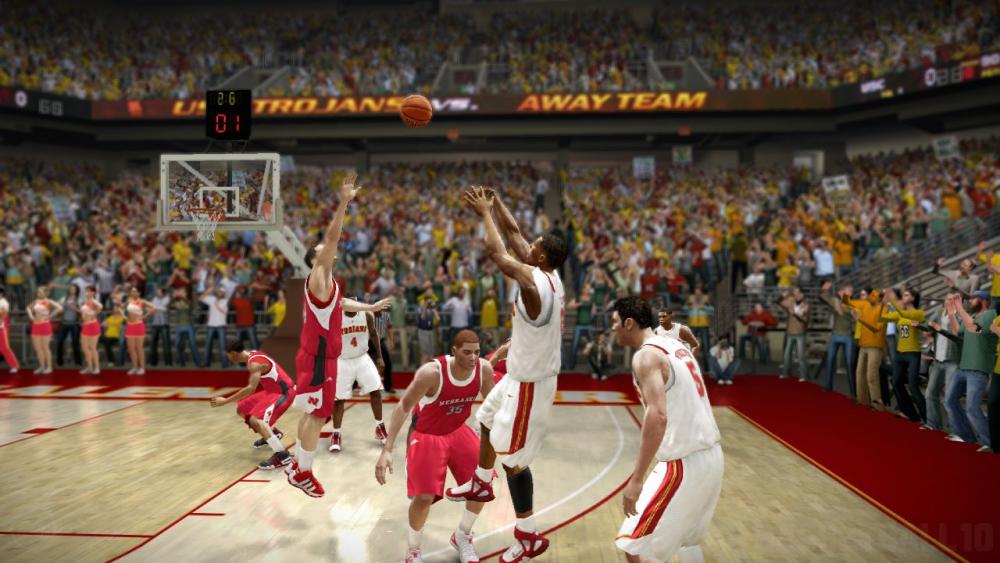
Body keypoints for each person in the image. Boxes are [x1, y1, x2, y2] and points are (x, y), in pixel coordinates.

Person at [445, 187, 568, 562]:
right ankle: (481, 483)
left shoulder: (534, 284)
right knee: (484, 419)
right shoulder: (548, 273)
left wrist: (484, 214)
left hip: (531, 384)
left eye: (535, 244)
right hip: (519, 373)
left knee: (513, 459)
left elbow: (499, 254)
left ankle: (528, 533)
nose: (528, 243)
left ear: (540, 256)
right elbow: (513, 234)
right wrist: (496, 201)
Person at [284, 172, 391, 498]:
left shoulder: (325, 285)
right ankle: (304, 472)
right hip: (321, 357)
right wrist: (344, 202)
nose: (331, 250)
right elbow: (332, 238)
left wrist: (371, 307)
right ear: (316, 258)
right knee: (320, 415)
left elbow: (342, 303)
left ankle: (297, 466)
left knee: (310, 413)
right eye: (324, 250)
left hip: (314, 354)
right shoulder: (320, 273)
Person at [609, 296, 722, 563]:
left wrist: (637, 479)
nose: (612, 327)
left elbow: (658, 415)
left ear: (629, 323)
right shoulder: (674, 345)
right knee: (687, 543)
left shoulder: (646, 356)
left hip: (682, 463)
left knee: (634, 545)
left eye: (614, 322)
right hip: (713, 458)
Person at [375, 329, 497, 563]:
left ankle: (462, 535)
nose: (473, 357)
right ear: (454, 351)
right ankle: (413, 551)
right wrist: (387, 449)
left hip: (458, 431)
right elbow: (403, 406)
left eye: (477, 352)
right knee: (423, 498)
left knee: (482, 485)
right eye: (467, 352)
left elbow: (494, 404)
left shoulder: (483, 370)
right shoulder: (431, 373)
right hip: (427, 435)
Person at [210, 343, 296, 470]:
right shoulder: (253, 354)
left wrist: (225, 401)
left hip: (284, 393)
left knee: (256, 420)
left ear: (233, 353)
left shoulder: (254, 364)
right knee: (242, 409)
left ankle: (282, 456)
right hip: (271, 391)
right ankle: (272, 433)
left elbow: (251, 388)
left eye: (228, 355)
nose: (228, 358)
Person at [940, 291, 996, 451]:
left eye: (973, 298)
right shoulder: (971, 316)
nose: (969, 301)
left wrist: (959, 308)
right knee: (949, 401)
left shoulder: (991, 315)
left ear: (983, 300)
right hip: (963, 367)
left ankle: (990, 443)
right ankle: (966, 436)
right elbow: (958, 332)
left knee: (972, 409)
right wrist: (952, 314)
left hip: (978, 369)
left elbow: (975, 329)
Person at [328, 307, 387, 453]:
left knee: (376, 391)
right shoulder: (336, 318)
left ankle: (380, 427)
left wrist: (379, 356)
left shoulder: (366, 315)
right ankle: (336, 434)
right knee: (338, 400)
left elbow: (374, 334)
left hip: (362, 358)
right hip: (343, 360)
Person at [880, 288, 927, 423]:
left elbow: (903, 313)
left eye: (906, 295)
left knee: (913, 386)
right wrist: (883, 304)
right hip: (900, 353)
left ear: (913, 298)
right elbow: (881, 317)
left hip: (913, 353)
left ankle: (928, 419)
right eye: (904, 295)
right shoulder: (900, 314)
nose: (904, 297)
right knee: (896, 382)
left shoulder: (918, 313)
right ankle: (911, 414)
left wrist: (892, 302)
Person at [844, 288, 887, 410]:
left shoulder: (883, 309)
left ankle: (878, 405)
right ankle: (863, 400)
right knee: (859, 372)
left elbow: (876, 328)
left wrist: (860, 319)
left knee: (872, 375)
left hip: (875, 345)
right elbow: (848, 304)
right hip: (864, 344)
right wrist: (846, 295)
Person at [819, 282, 855, 395]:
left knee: (849, 363)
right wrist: (824, 289)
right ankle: (828, 386)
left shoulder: (852, 304)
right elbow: (824, 296)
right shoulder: (836, 301)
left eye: (848, 291)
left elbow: (850, 314)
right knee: (830, 361)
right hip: (835, 334)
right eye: (845, 290)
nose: (846, 292)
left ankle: (853, 390)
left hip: (847, 335)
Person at [27, 287, 62, 374]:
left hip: (45, 325)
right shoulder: (36, 301)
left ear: (45, 293)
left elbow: (60, 308)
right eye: (38, 292)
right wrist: (31, 316)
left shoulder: (49, 301)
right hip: (35, 325)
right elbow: (28, 308)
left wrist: (50, 316)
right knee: (37, 348)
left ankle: (49, 367)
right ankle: (42, 366)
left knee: (45, 347)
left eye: (40, 292)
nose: (38, 293)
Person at [123, 286, 156, 375]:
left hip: (139, 325)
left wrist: (145, 316)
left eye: (135, 291)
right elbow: (122, 309)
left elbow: (154, 307)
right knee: (131, 349)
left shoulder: (142, 301)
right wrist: (124, 316)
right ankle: (134, 367)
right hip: (130, 326)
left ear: (139, 293)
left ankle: (142, 368)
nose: (133, 293)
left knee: (139, 348)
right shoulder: (128, 301)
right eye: (132, 291)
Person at [779, 287, 809, 382]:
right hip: (790, 332)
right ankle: (785, 373)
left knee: (801, 356)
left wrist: (795, 314)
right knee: (786, 355)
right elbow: (779, 302)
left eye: (798, 293)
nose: (796, 294)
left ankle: (803, 376)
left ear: (802, 295)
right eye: (795, 292)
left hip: (800, 333)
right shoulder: (791, 303)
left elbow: (804, 320)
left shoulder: (806, 305)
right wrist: (783, 295)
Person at [54, 285, 82, 368]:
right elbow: (56, 306)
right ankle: (59, 362)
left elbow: (82, 311)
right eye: (71, 289)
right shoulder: (64, 298)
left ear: (77, 290)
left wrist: (73, 307)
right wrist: (59, 308)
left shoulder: (79, 299)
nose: (72, 290)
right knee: (59, 342)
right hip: (64, 323)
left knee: (75, 343)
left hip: (75, 323)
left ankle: (78, 362)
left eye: (74, 289)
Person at [80, 286, 103, 375]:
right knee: (85, 348)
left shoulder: (93, 301)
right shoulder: (85, 302)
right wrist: (83, 319)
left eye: (90, 291)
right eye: (86, 291)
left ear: (93, 293)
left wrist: (94, 314)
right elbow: (83, 313)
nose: (87, 293)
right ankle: (89, 367)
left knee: (93, 348)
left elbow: (100, 307)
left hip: (92, 325)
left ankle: (96, 367)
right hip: (85, 326)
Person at [0, 288, 19, 373]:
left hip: (1, 327)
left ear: (1, 294)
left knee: (4, 348)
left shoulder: (4, 302)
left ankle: (14, 365)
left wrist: (1, 321)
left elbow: (5, 314)